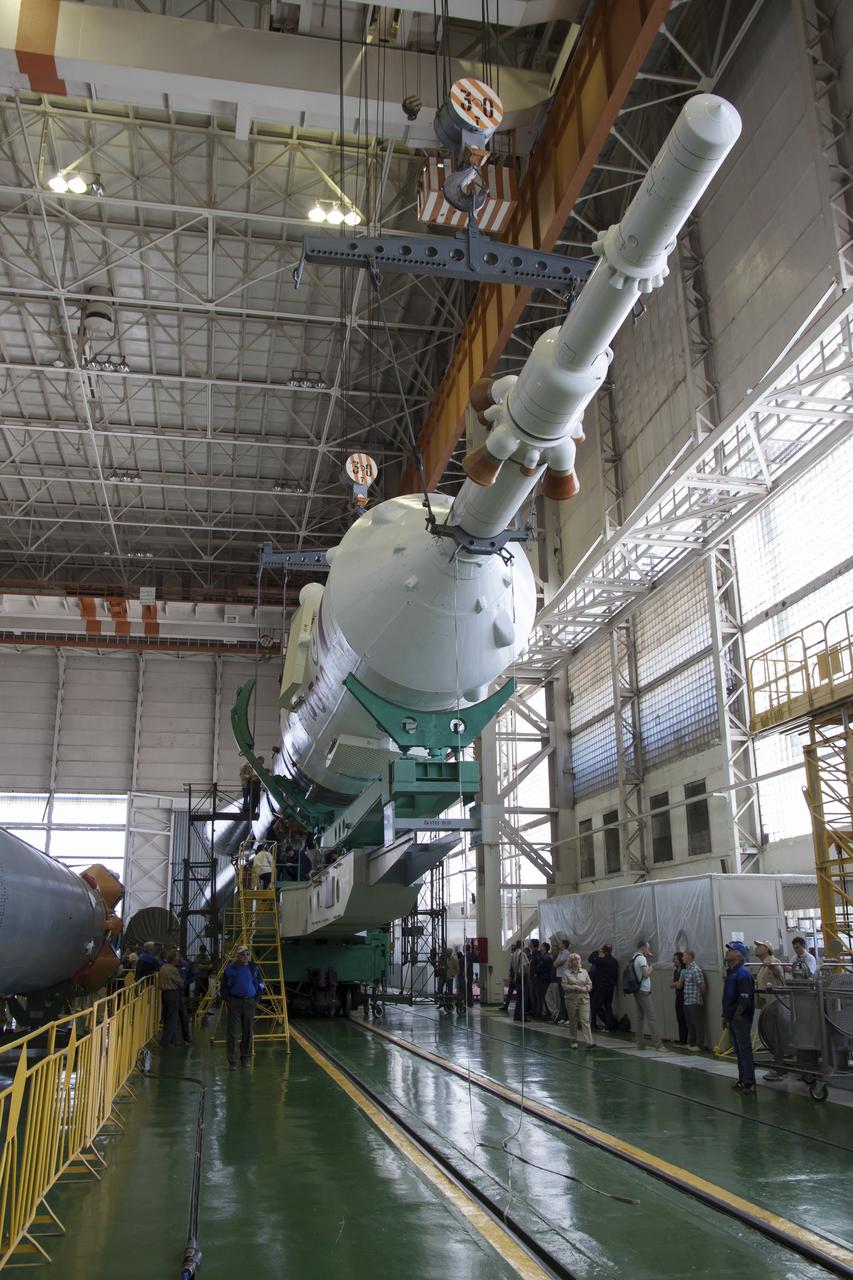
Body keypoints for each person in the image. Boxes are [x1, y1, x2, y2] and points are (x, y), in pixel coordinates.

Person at [221, 945, 265, 1069]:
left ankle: (245, 1058)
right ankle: (232, 1062)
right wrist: (228, 1000)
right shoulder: (230, 969)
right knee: (233, 1033)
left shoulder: (254, 968)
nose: (245, 956)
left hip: (249, 1003)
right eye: (242, 954)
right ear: (237, 956)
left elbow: (261, 984)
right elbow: (223, 986)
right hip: (234, 1003)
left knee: (247, 1031)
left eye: (247, 954)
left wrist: (256, 999)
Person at [722, 941, 756, 1092]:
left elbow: (744, 999)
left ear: (738, 954)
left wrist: (736, 1016)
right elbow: (728, 997)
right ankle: (742, 1079)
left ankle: (749, 1081)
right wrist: (726, 1016)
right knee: (738, 1050)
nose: (727, 952)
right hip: (733, 1017)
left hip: (741, 1018)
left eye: (730, 950)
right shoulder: (732, 973)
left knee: (744, 1049)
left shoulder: (743, 974)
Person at [754, 940, 787, 1081]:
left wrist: (772, 967)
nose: (757, 948)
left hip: (775, 1004)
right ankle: (778, 1066)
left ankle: (779, 1068)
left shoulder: (773, 961)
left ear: (767, 949)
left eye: (760, 946)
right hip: (768, 1004)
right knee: (771, 1037)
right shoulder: (762, 966)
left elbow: (778, 972)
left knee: (776, 1037)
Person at [629, 941, 666, 1051]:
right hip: (643, 990)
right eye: (648, 948)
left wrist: (647, 960)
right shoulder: (641, 959)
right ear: (644, 947)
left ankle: (640, 1043)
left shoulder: (634, 957)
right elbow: (645, 974)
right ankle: (658, 1045)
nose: (649, 950)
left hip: (636, 990)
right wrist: (651, 967)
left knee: (639, 1018)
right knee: (651, 1018)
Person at [159, 950, 192, 1048]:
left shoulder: (163, 967)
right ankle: (165, 1042)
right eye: (177, 957)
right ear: (174, 959)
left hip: (164, 994)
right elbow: (180, 982)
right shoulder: (173, 969)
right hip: (172, 994)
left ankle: (171, 1041)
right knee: (172, 1019)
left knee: (166, 1017)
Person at [561, 953, 594, 1047]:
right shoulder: (566, 973)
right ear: (570, 962)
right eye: (574, 960)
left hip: (584, 999)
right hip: (571, 999)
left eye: (578, 959)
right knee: (573, 1020)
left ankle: (589, 1041)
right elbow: (564, 986)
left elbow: (589, 984)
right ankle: (574, 1040)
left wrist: (584, 989)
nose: (576, 961)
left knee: (585, 1020)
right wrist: (574, 987)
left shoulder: (584, 972)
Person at [678, 949, 706, 1051]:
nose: (682, 958)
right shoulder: (687, 969)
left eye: (684, 956)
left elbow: (702, 985)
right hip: (687, 1000)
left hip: (694, 1000)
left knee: (697, 1023)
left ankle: (699, 1045)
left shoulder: (695, 969)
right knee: (690, 1023)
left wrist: (699, 997)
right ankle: (691, 1042)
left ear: (689, 956)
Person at [589, 943, 618, 1031]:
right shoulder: (614, 961)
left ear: (603, 950)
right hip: (610, 986)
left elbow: (590, 959)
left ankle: (593, 1024)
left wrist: (597, 951)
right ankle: (608, 1026)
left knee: (595, 1005)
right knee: (608, 1006)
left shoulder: (602, 961)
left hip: (601, 986)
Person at [671, 951, 688, 1045]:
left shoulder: (683, 970)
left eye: (676, 959)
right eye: (674, 959)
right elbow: (671, 984)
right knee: (679, 1018)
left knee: (683, 1018)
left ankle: (684, 1039)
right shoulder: (675, 971)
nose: (675, 961)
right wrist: (675, 984)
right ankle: (682, 1038)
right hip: (678, 996)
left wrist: (675, 984)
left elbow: (679, 985)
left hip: (683, 997)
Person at [552, 939, 571, 1023]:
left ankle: (568, 1018)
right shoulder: (560, 953)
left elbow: (558, 963)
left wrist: (556, 963)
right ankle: (563, 1017)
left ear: (564, 945)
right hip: (559, 977)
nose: (559, 944)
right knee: (562, 998)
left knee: (565, 998)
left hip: (564, 977)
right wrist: (556, 963)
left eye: (560, 943)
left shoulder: (566, 953)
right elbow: (554, 963)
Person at [535, 942, 554, 1019]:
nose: (540, 947)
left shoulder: (546, 957)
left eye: (542, 946)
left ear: (545, 948)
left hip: (544, 979)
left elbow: (540, 968)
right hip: (541, 978)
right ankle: (543, 1012)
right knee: (541, 996)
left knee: (545, 996)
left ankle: (548, 1013)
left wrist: (536, 970)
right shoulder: (542, 956)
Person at [501, 943, 518, 1012]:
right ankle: (506, 1005)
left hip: (516, 977)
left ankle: (518, 1007)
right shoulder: (513, 956)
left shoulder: (517, 955)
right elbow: (511, 968)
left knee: (516, 992)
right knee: (510, 992)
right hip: (513, 977)